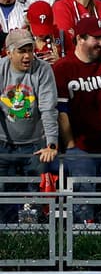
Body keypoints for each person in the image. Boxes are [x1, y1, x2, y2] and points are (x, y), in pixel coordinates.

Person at [53, 15, 101, 223]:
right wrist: (70, 145)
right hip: (82, 146)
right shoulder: (63, 67)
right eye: (96, 39)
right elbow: (62, 112)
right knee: (82, 201)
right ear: (80, 38)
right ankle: (83, 244)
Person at [0, 28, 59, 223]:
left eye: (30, 50)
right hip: (3, 144)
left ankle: (34, 243)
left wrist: (51, 144)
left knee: (33, 200)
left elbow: (48, 108)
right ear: (9, 52)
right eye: (21, 51)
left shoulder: (43, 69)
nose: (27, 56)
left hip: (34, 146)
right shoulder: (1, 70)